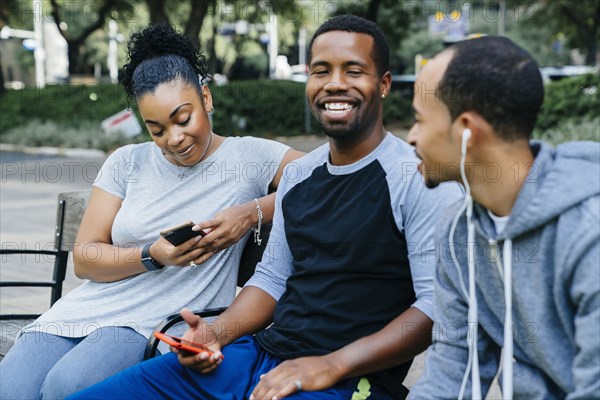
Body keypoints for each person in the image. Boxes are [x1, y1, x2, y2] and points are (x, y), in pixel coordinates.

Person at [68, 15, 462, 400]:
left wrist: (332, 365)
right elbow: (272, 279)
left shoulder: (417, 178)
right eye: (321, 71)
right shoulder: (299, 177)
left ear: (384, 84)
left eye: (354, 71)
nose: (335, 84)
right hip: (259, 354)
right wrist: (215, 334)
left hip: (351, 378)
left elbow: (434, 306)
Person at [0, 23, 303, 399]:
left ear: (206, 98)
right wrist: (151, 255)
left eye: (183, 118)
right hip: (86, 307)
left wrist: (251, 212)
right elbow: (86, 257)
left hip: (159, 321)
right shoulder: (127, 161)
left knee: (69, 386)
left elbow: (327, 179)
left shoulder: (250, 156)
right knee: (9, 386)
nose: (173, 139)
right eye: (156, 129)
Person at [406, 36, 599, 399]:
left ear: (466, 131)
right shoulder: (457, 231)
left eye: (418, 120)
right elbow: (451, 372)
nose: (412, 136)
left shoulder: (588, 230)